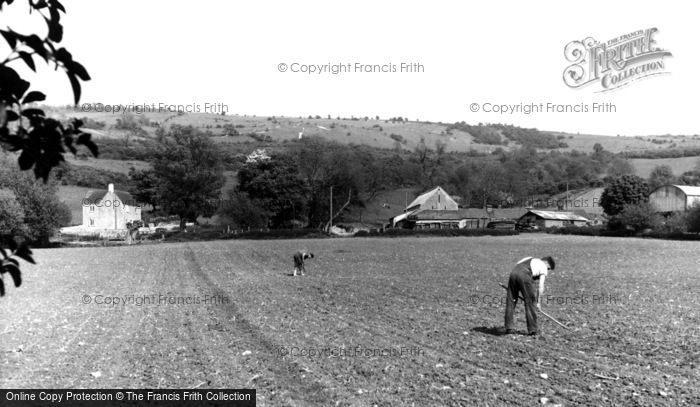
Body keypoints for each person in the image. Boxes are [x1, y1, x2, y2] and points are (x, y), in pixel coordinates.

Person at [504, 256, 555, 335]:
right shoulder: (543, 267)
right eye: (549, 268)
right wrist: (538, 302)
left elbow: (517, 266)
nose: (547, 270)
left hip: (513, 274)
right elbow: (540, 287)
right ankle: (532, 330)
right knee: (530, 303)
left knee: (511, 300)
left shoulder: (529, 258)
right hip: (525, 275)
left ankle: (509, 327)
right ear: (547, 264)